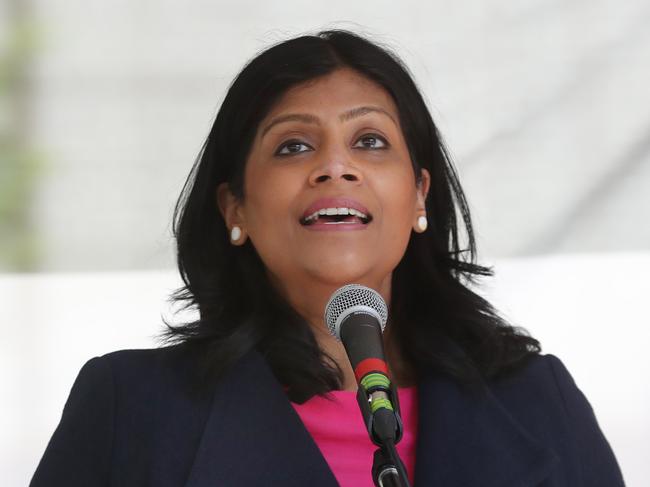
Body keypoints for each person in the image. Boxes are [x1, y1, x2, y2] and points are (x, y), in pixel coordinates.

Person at [30, 30, 625, 486]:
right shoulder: (130, 407)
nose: (335, 166)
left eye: (370, 141)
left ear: (419, 194)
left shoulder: (537, 402)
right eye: (294, 146)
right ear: (234, 207)